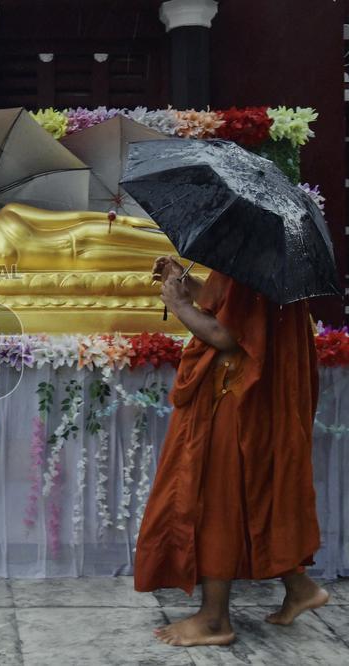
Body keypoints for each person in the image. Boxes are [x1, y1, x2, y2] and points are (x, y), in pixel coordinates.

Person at [135, 257, 326, 647]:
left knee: (216, 500)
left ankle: (214, 620)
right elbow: (240, 307)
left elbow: (226, 334)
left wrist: (180, 306)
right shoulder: (265, 260)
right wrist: (192, 287)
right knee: (248, 496)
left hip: (235, 399)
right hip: (250, 399)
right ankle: (301, 589)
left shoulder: (253, 261)